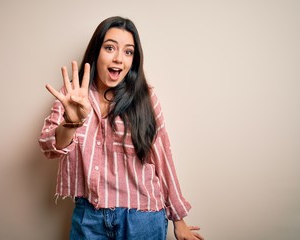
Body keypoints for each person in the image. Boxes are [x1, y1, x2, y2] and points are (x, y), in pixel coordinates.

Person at [39, 16, 204, 240]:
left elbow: (162, 157)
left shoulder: (146, 97)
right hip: (89, 216)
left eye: (128, 52)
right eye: (110, 48)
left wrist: (178, 219)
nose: (119, 58)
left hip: (142, 218)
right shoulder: (73, 94)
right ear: (96, 51)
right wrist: (72, 122)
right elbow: (50, 146)